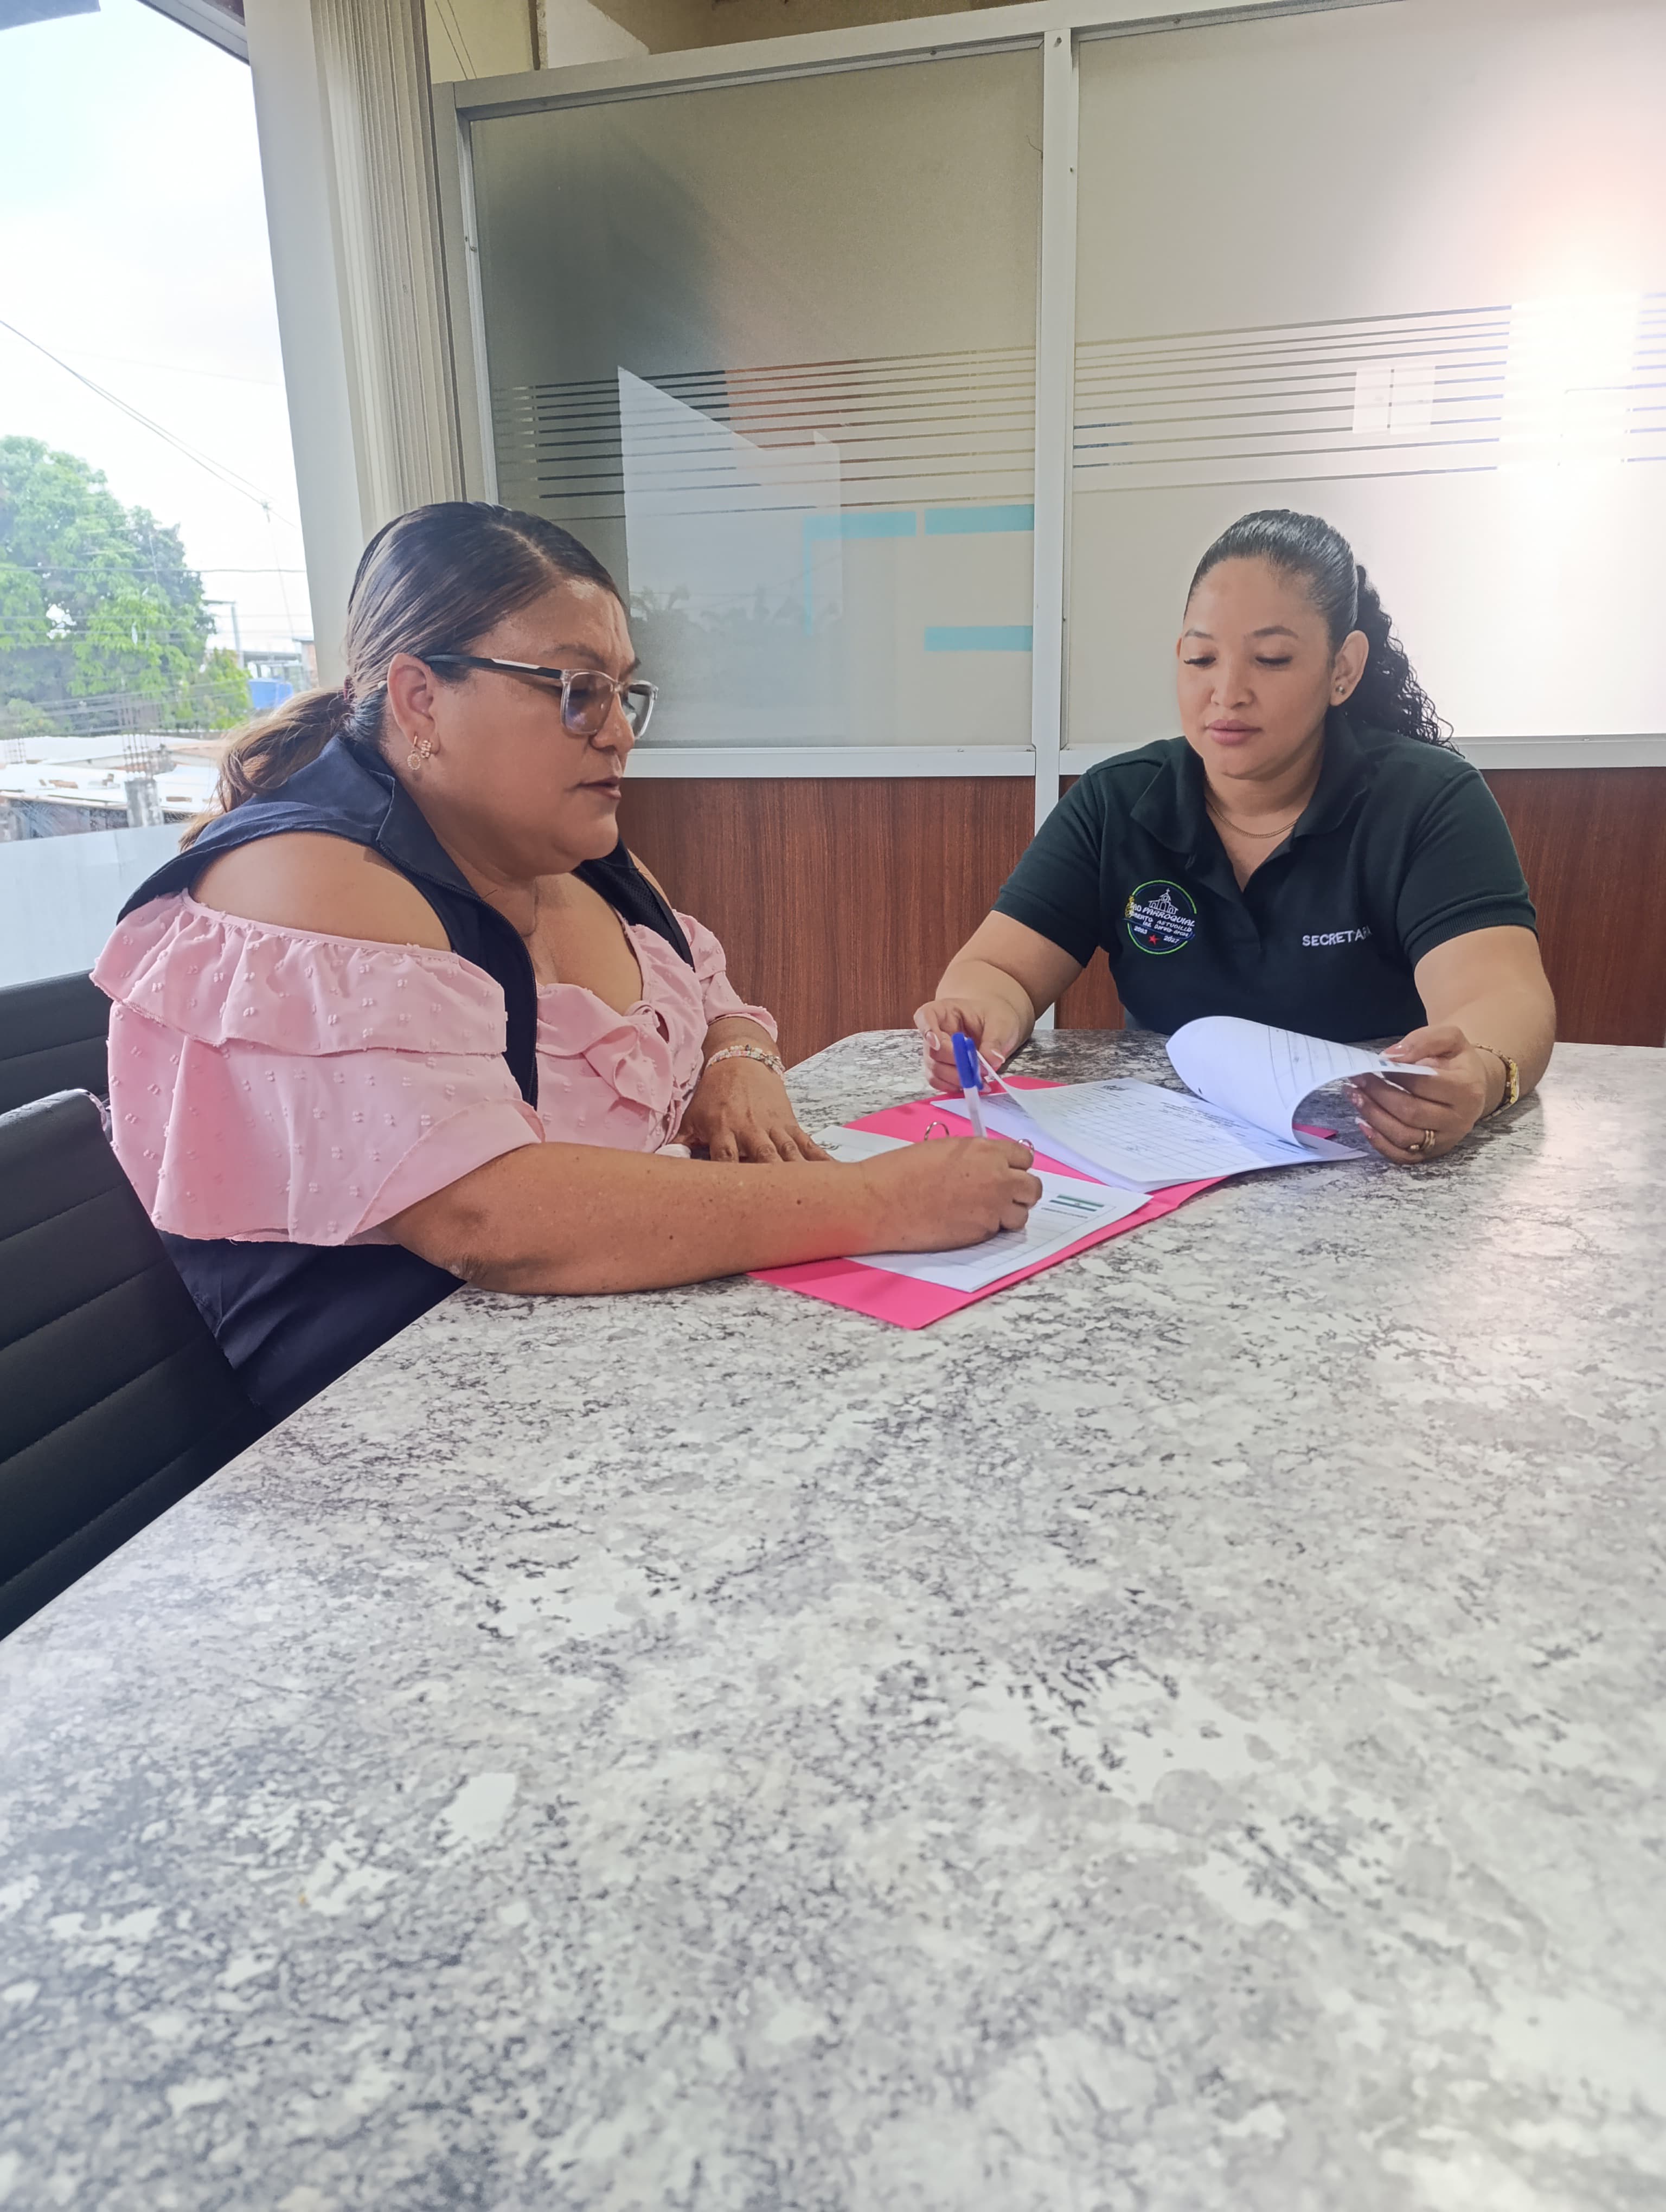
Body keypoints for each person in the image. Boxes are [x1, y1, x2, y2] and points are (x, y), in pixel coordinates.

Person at [95, 502, 1039, 1421]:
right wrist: (878, 1200)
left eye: (623, 692)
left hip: (598, 1350)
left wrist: (739, 1061)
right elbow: (491, 1217)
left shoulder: (575, 851)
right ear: (421, 697)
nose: (618, 731)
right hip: (394, 1420)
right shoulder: (309, 881)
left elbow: (713, 997)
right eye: (575, 690)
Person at [917, 509, 1554, 1165]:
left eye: (1271, 659)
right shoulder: (1117, 802)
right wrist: (980, 1016)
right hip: (1165, 1157)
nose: (1227, 692)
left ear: (1343, 668)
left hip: (1369, 1151)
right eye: (1202, 658)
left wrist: (1478, 1075)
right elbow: (999, 969)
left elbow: (1500, 994)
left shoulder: (1428, 799)